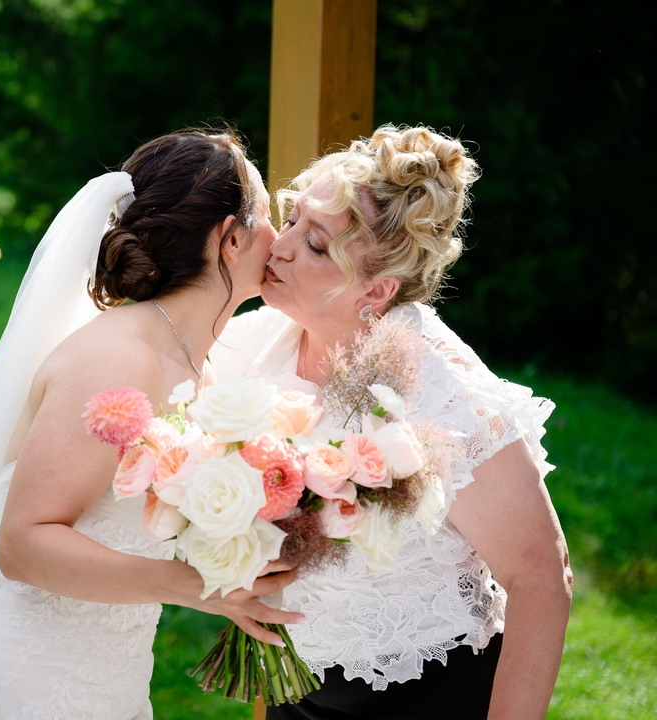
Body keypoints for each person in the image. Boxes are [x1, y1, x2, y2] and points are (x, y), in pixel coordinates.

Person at [0, 129, 303, 719]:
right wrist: (198, 588)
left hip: (110, 682)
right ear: (230, 238)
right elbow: (24, 545)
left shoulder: (198, 370)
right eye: (269, 218)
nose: (280, 238)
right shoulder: (117, 359)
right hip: (25, 686)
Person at [210, 124, 572, 719]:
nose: (281, 246)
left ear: (375, 290)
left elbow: (540, 576)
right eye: (293, 217)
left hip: (423, 696)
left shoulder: (439, 392)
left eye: (318, 245)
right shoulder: (251, 346)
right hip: (293, 686)